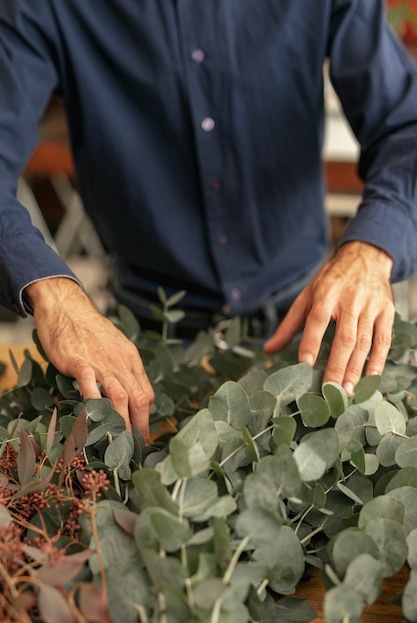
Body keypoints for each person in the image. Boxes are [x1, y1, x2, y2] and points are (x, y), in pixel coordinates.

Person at [1, 0, 416, 441]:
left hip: (305, 329)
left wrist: (371, 250)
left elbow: (406, 127)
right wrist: (54, 295)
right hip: (142, 344)